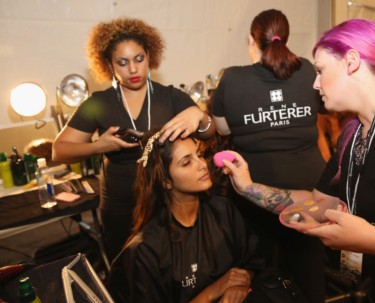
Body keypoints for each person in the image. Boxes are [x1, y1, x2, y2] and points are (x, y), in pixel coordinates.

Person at [220, 19, 375, 303]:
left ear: (352, 62)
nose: (314, 83)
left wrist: (370, 239)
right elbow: (317, 203)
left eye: (320, 70)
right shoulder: (353, 133)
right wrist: (248, 187)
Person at [52, 18, 215, 261]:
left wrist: (199, 116)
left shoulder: (170, 97)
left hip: (167, 198)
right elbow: (59, 151)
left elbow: (209, 133)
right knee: (127, 266)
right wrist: (99, 146)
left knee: (173, 263)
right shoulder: (99, 102)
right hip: (120, 202)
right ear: (109, 64)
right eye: (123, 62)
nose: (133, 69)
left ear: (149, 56)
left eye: (139, 59)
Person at [211, 9, 326, 303]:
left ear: (252, 39)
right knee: (308, 274)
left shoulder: (233, 78)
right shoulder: (308, 70)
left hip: (256, 196)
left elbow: (222, 127)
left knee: (260, 278)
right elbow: (325, 110)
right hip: (311, 192)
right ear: (285, 38)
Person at [106, 130, 264, 303]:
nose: (202, 165)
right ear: (166, 180)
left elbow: (253, 261)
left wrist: (240, 284)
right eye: (187, 162)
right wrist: (214, 291)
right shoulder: (146, 249)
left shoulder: (223, 210)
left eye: (199, 155)